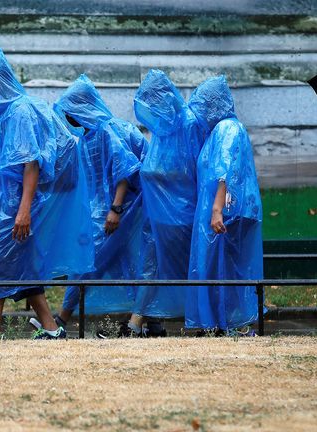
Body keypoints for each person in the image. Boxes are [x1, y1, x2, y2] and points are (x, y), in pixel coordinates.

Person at [0, 46, 93, 340]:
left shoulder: (20, 112)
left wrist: (23, 209)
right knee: (23, 266)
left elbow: (31, 163)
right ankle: (51, 329)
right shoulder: (3, 114)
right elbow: (0, 164)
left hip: (17, 204)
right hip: (5, 202)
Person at [51, 74, 153, 326]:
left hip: (118, 212)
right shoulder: (88, 136)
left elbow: (123, 169)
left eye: (71, 111)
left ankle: (62, 318)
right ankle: (149, 321)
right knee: (123, 262)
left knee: (87, 264)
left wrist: (115, 209)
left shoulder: (106, 130)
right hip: (100, 213)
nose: (68, 118)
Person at [126, 69, 206, 336]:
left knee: (181, 268)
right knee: (150, 265)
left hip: (182, 215)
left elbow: (192, 169)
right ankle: (143, 323)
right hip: (158, 214)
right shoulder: (162, 130)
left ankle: (203, 320)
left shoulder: (190, 125)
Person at [185, 76, 263, 335]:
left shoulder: (227, 129)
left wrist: (217, 209)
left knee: (226, 269)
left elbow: (225, 170)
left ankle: (234, 325)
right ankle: (221, 323)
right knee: (218, 267)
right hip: (221, 211)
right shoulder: (218, 131)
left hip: (226, 213)